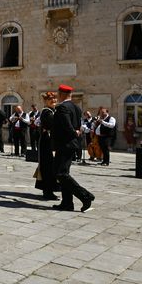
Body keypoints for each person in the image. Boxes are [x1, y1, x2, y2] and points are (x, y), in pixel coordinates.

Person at [52, 84, 94, 212]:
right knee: (64, 173)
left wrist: (73, 132)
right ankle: (67, 203)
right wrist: (76, 132)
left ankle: (85, 196)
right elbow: (78, 124)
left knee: (61, 173)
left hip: (65, 144)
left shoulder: (62, 107)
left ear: (61, 94)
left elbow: (66, 124)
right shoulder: (76, 107)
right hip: (70, 144)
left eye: (58, 94)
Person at [33, 92, 59, 200]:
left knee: (51, 165)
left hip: (50, 141)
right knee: (47, 166)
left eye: (54, 99)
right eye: (50, 99)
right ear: (45, 101)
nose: (53, 101)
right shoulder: (47, 112)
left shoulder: (52, 111)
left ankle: (49, 189)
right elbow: (53, 125)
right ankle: (47, 191)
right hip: (47, 142)